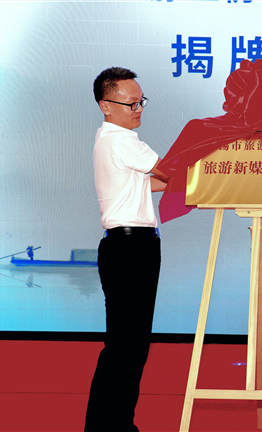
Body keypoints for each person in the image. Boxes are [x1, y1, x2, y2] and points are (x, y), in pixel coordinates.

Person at [85, 67, 168, 432]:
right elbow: (171, 172)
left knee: (126, 347)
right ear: (106, 105)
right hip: (132, 249)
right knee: (127, 348)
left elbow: (147, 185)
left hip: (124, 247)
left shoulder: (108, 141)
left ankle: (112, 424)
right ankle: (112, 426)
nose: (139, 109)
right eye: (131, 103)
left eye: (141, 101)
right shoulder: (121, 140)